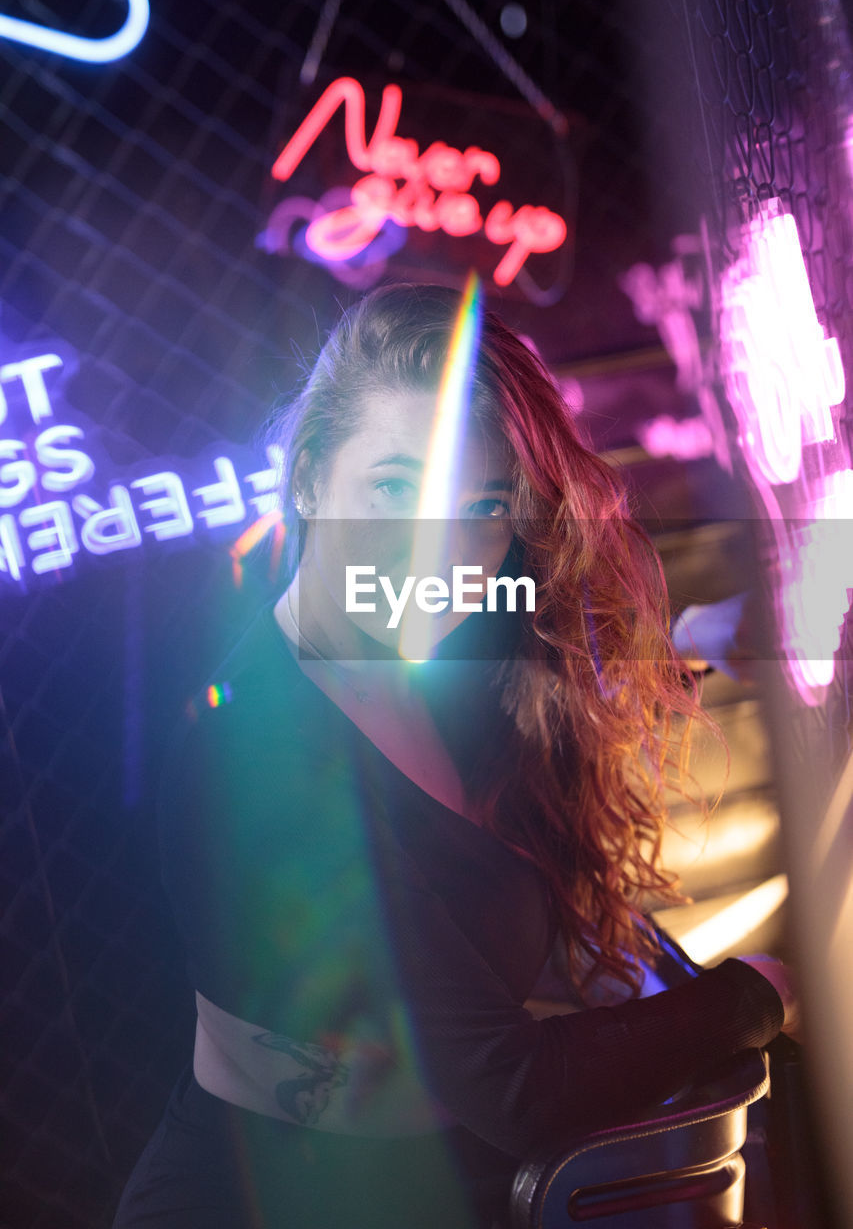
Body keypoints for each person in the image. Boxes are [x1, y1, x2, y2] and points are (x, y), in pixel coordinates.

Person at [113, 283, 796, 1229]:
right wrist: (758, 994)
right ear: (310, 477)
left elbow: (554, 654)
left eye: (481, 505)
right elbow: (516, 1093)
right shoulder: (256, 760)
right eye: (393, 488)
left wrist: (708, 630)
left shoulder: (427, 646)